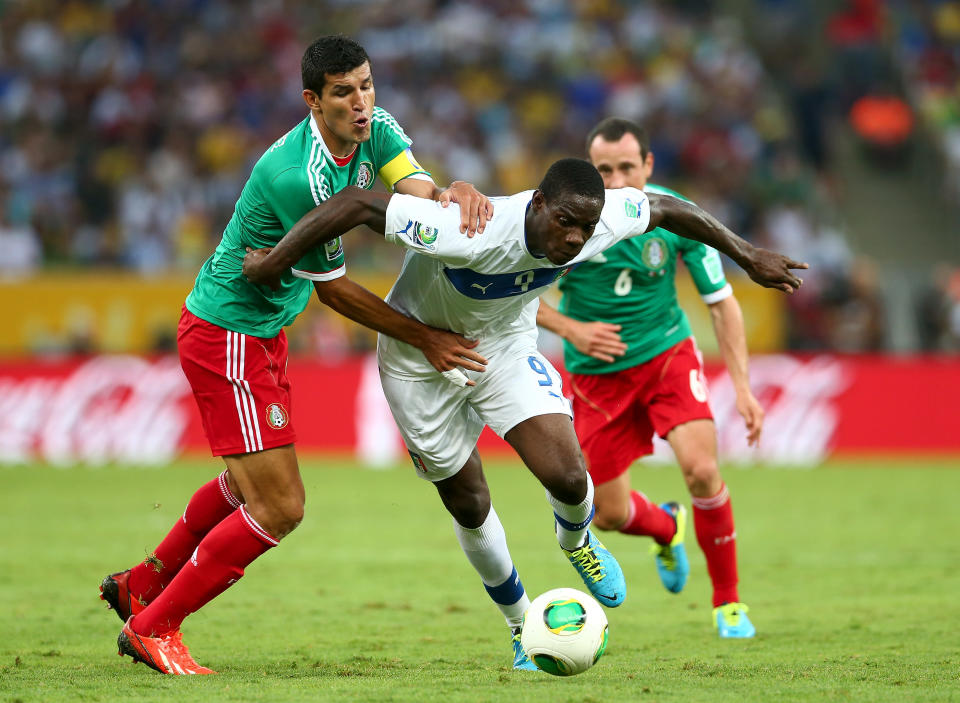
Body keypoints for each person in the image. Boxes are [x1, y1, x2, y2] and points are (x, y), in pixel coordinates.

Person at [242, 158, 806, 667]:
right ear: (537, 203)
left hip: (505, 350)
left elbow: (665, 208)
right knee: (470, 502)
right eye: (564, 221)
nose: (575, 237)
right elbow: (357, 204)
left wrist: (748, 254)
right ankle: (520, 628)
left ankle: (577, 542)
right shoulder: (471, 228)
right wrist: (276, 263)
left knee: (567, 474)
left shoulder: (598, 221)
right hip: (418, 361)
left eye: (585, 227)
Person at [99, 35, 494, 675]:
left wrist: (456, 191)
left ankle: (140, 585)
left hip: (264, 330)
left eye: (366, 85)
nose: (361, 102)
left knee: (243, 487)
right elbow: (335, 290)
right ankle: (155, 625)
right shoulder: (298, 175)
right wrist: (426, 338)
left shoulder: (377, 125)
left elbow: (416, 188)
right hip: (228, 331)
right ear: (313, 100)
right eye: (344, 93)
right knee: (280, 505)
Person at [536, 117, 765, 638]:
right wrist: (573, 329)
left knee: (704, 472)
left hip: (667, 357)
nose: (615, 182)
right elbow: (517, 298)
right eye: (603, 170)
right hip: (596, 378)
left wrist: (745, 389)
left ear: (648, 166)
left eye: (625, 169)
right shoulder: (566, 218)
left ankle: (728, 604)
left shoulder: (675, 215)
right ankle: (667, 526)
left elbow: (721, 303)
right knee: (610, 515)